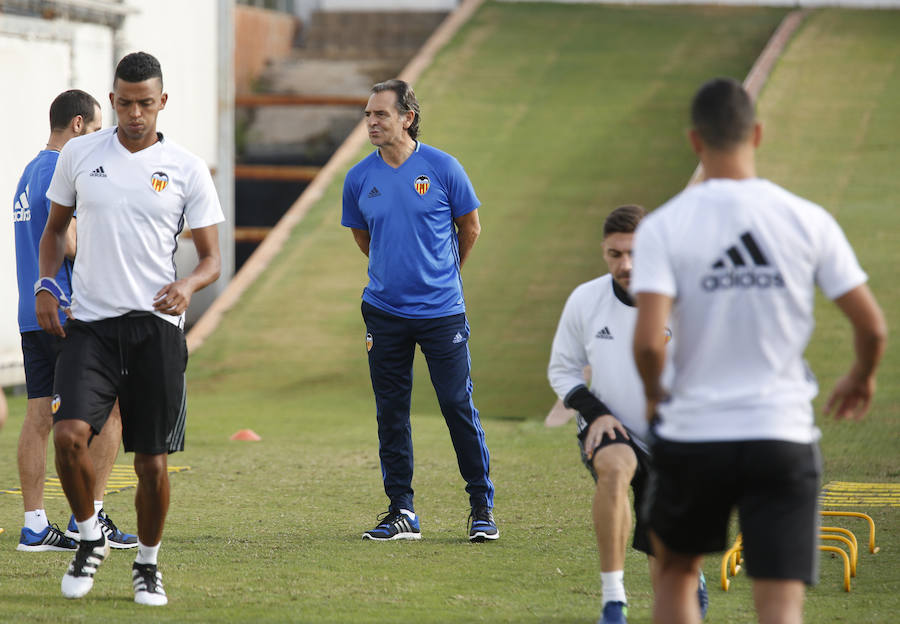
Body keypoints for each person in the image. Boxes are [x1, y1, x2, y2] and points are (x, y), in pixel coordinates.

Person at [631, 77, 886, 624]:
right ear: (759, 134)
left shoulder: (665, 226)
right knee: (779, 599)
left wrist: (655, 399)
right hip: (782, 435)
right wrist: (861, 376)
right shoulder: (806, 218)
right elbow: (872, 328)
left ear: (695, 141)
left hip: (695, 434)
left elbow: (649, 341)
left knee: (675, 575)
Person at [37, 52, 224, 605]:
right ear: (112, 99)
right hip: (90, 326)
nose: (135, 113)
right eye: (124, 102)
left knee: (151, 462)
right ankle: (90, 533)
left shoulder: (187, 168)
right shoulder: (78, 153)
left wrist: (188, 287)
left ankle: (147, 562)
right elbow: (53, 231)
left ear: (162, 102)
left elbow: (213, 259)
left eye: (146, 102)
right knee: (69, 438)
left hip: (156, 330)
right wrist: (48, 285)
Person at [342, 79, 497, 542]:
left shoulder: (444, 168)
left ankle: (481, 507)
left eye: (380, 115)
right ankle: (401, 511)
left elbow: (470, 228)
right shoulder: (358, 178)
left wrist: (445, 275)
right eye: (368, 115)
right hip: (384, 312)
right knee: (391, 411)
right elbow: (362, 236)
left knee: (455, 404)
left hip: (442, 313)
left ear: (407, 118)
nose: (371, 122)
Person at [548, 205, 707, 624]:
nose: (626, 264)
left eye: (635, 253)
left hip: (671, 439)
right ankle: (613, 602)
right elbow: (561, 369)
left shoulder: (683, 301)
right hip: (609, 427)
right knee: (616, 467)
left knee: (668, 576)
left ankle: (688, 575)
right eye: (615, 254)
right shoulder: (585, 299)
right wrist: (595, 412)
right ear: (603, 252)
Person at [13, 89, 137, 553]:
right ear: (79, 124)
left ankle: (34, 526)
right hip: (67, 313)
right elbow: (69, 243)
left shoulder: (27, 172)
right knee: (110, 414)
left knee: (38, 418)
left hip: (32, 311)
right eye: (99, 127)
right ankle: (93, 517)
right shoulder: (60, 170)